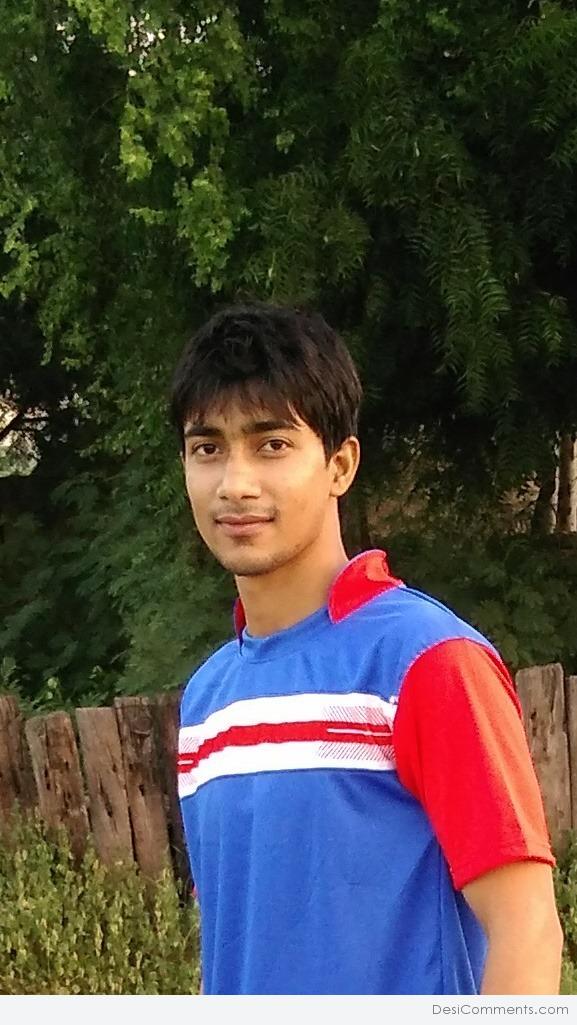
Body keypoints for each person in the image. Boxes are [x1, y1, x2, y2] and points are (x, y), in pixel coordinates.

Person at [171, 301, 563, 996]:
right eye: (208, 448)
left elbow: (525, 928)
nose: (235, 483)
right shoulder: (208, 697)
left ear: (340, 464)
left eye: (271, 444)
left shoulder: (425, 661)